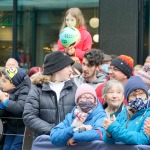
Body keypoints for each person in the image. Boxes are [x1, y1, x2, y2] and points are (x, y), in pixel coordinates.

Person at [23, 51, 77, 139]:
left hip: (69, 141)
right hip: (46, 142)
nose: (71, 70)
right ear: (57, 68)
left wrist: (68, 132)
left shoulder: (74, 88)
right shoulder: (37, 89)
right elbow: (29, 117)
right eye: (67, 66)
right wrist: (55, 130)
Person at [103, 76, 150, 145]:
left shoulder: (148, 114)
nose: (137, 97)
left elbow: (142, 139)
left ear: (146, 95)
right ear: (127, 98)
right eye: (133, 95)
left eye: (141, 93)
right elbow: (109, 142)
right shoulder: (124, 113)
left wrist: (113, 128)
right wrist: (109, 134)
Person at [0, 68, 31, 150]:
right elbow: (3, 114)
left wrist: (5, 101)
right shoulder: (7, 91)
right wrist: (2, 105)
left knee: (15, 148)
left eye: (4, 81)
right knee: (6, 148)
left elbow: (20, 108)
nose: (1, 83)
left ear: (14, 84)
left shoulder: (25, 90)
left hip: (22, 129)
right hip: (11, 128)